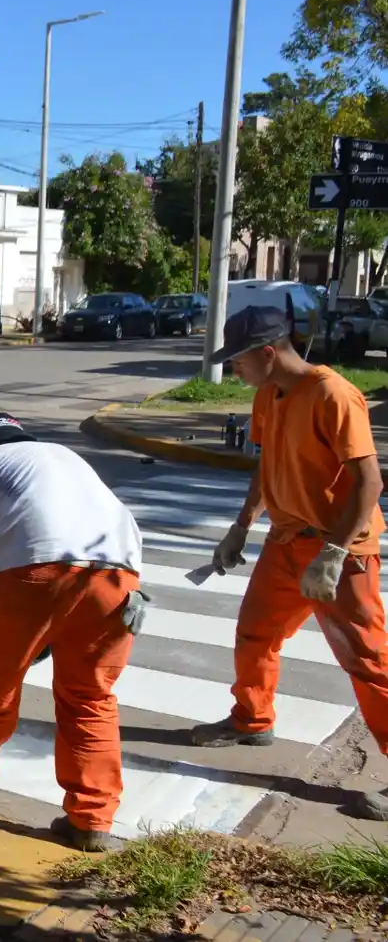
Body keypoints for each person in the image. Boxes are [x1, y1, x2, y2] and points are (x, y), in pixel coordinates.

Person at [191, 306, 388, 819]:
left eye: (237, 360)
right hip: (284, 541)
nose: (233, 369)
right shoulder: (267, 395)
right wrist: (241, 526)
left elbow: (369, 482)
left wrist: (336, 551)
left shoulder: (333, 394)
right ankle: (252, 720)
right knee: (255, 633)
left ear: (267, 353)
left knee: (368, 661)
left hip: (337, 551)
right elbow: (267, 464)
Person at [0, 412, 146, 852]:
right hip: (120, 580)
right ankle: (91, 821)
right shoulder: (66, 459)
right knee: (91, 698)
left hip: (33, 575)